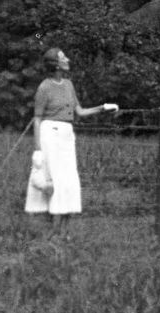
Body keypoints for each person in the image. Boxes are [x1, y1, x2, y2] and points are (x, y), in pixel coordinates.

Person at [24, 47, 112, 229]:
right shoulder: (44, 87)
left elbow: (80, 111)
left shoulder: (69, 85)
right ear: (55, 64)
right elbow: (37, 119)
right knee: (52, 178)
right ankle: (50, 227)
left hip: (66, 135)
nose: (67, 60)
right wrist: (37, 149)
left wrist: (103, 108)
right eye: (63, 58)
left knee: (68, 179)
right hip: (50, 135)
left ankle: (63, 228)